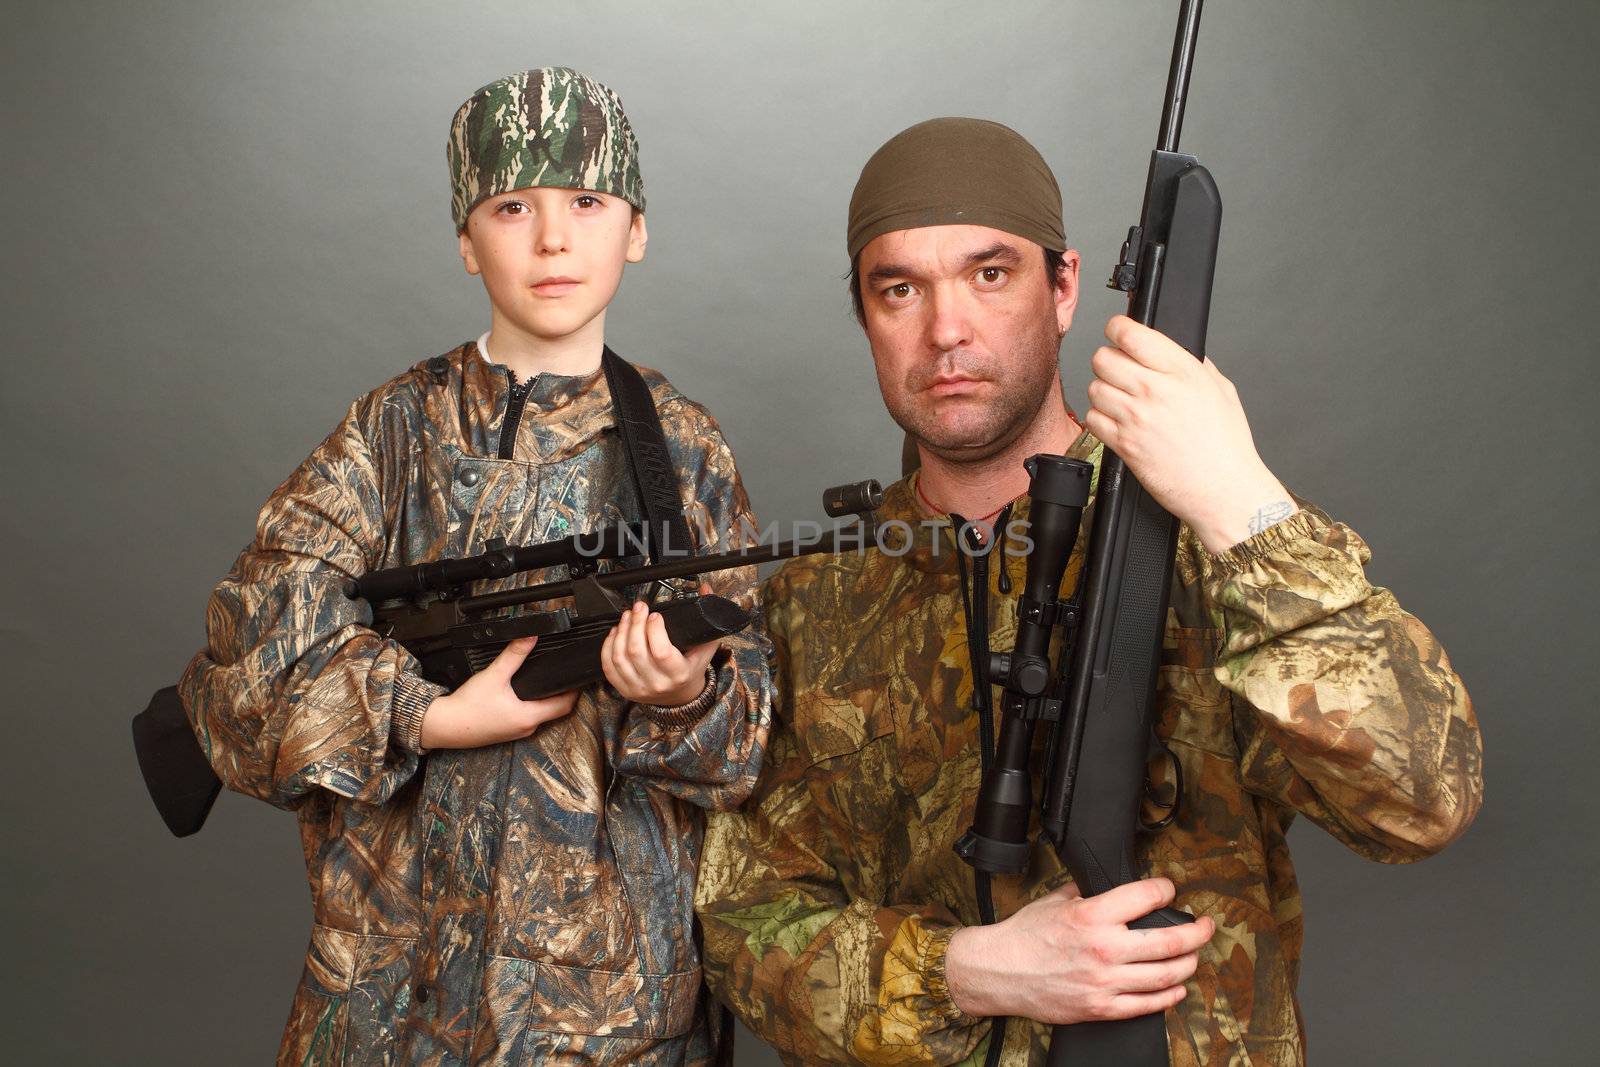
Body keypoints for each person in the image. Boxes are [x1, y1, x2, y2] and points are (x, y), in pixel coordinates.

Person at [695, 117, 1483, 1066]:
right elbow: (740, 926)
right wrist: (966, 970)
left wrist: (1241, 500)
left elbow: (1422, 801)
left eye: (991, 274)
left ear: (1064, 288)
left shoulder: (1209, 541)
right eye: (899, 289)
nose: (947, 330)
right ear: (865, 315)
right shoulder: (815, 603)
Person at [178, 67, 770, 1066]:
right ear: (465, 239)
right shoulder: (388, 433)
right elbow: (242, 666)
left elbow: (748, 742)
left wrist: (678, 696)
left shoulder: (681, 450)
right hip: (382, 1010)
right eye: (511, 207)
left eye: (586, 202)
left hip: (607, 1028)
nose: (552, 238)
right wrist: (429, 714)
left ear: (635, 229)